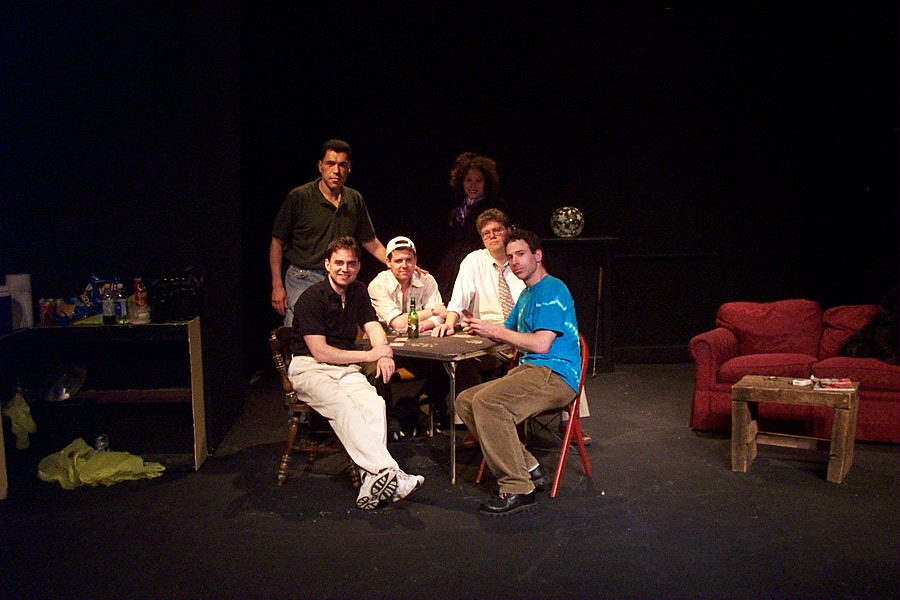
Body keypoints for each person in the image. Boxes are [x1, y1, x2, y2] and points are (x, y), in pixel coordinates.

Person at [287, 236, 424, 510]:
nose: (345, 269)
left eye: (351, 263)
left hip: (344, 367)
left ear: (359, 266)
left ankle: (371, 482)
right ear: (327, 264)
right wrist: (369, 356)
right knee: (343, 406)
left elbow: (373, 326)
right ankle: (390, 472)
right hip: (309, 367)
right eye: (338, 263)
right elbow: (320, 352)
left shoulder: (358, 291)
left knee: (374, 404)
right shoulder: (311, 298)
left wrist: (382, 352)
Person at [455, 229, 581, 516]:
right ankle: (530, 467)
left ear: (538, 255)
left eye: (521, 254)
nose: (514, 261)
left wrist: (494, 330)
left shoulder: (552, 289)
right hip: (531, 371)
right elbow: (507, 332)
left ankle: (518, 487)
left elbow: (541, 343)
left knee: (489, 403)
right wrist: (478, 328)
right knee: (465, 401)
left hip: (555, 373)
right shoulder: (526, 295)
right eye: (510, 256)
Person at [271, 139, 389, 327]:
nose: (336, 170)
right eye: (330, 164)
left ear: (349, 168)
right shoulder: (300, 197)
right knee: (301, 330)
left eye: (342, 165)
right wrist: (277, 286)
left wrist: (395, 262)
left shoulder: (354, 199)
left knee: (336, 331)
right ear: (320, 166)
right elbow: (277, 242)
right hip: (303, 276)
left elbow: (370, 241)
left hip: (340, 276)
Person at [432, 208, 525, 447]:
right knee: (461, 358)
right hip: (487, 335)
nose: (492, 236)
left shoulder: (521, 259)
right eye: (486, 233)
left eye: (497, 230)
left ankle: (569, 420)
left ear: (509, 231)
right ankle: (474, 421)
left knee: (565, 341)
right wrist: (449, 323)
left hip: (520, 333)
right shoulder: (474, 260)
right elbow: (459, 297)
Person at [367, 236, 451, 432]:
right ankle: (385, 421)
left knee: (448, 365)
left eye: (408, 260)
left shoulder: (427, 280)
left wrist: (425, 324)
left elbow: (442, 317)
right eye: (398, 260)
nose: (404, 265)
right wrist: (432, 311)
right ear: (388, 262)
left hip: (419, 345)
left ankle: (418, 408)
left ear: (415, 260)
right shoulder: (378, 285)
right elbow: (397, 323)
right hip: (386, 345)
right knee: (374, 370)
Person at [432, 152, 508, 300]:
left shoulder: (494, 207)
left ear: (486, 183)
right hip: (450, 270)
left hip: (478, 268)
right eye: (469, 180)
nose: (473, 185)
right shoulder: (455, 211)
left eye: (478, 180)